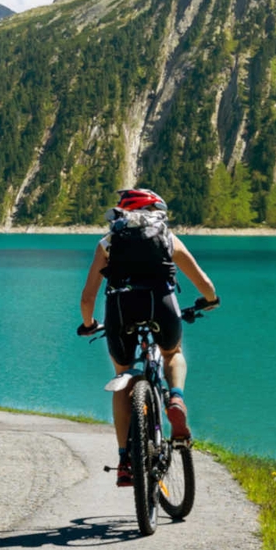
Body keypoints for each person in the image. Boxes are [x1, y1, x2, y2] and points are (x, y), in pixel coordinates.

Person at [78, 188, 219, 486]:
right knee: (172, 353)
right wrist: (209, 300)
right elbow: (204, 282)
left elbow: (88, 296)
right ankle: (176, 399)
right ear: (156, 211)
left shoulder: (108, 242)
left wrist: (89, 323)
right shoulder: (167, 237)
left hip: (120, 309)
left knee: (123, 377)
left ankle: (125, 460)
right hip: (162, 306)